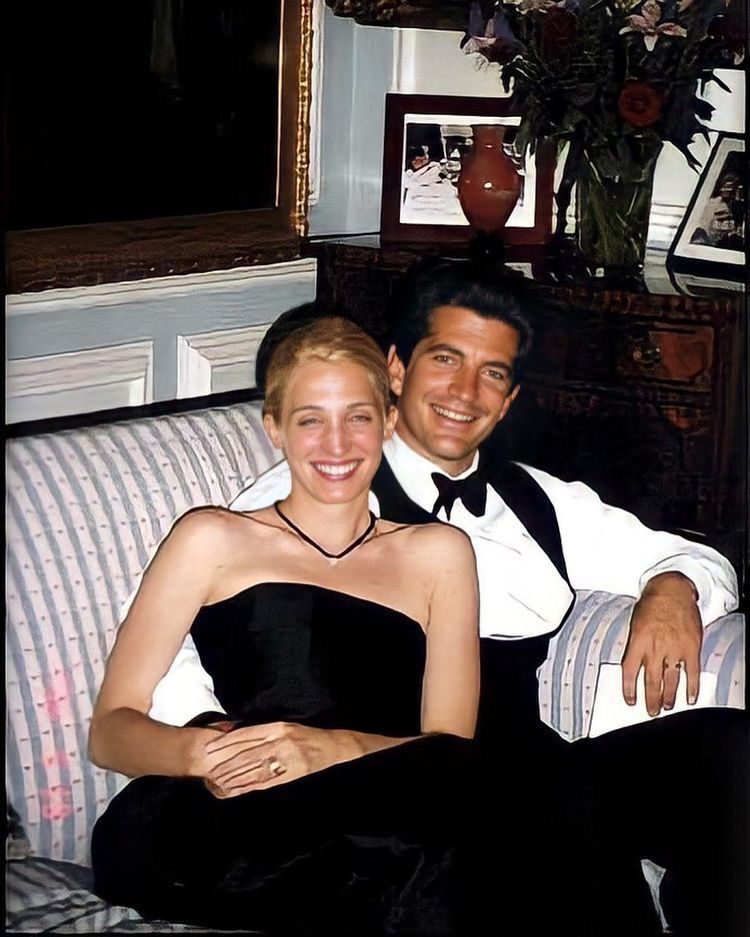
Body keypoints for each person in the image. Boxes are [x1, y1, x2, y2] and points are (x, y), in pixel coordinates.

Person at [152, 259, 745, 936]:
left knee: (726, 754)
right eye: (446, 359)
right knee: (562, 812)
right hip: (390, 787)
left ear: (510, 398)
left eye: (492, 372)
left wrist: (672, 588)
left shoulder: (537, 499)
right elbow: (183, 638)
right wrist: (216, 735)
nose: (465, 391)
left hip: (525, 772)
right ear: (396, 369)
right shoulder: (319, 487)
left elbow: (697, 558)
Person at [89, 318, 485, 934]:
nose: (337, 444)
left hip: (385, 797)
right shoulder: (211, 537)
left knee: (491, 814)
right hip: (246, 812)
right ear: (274, 427)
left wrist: (331, 750)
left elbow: (449, 744)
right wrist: (207, 754)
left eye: (358, 417)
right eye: (310, 420)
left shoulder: (441, 553)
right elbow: (110, 732)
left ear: (388, 420)